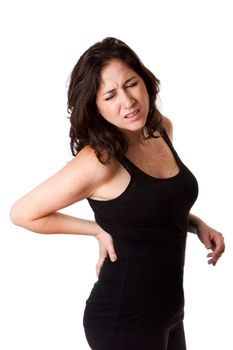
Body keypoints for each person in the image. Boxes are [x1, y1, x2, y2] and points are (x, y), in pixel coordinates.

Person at [10, 37, 225, 350]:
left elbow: (155, 204)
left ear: (145, 81)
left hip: (170, 313)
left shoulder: (161, 128)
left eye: (131, 84)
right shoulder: (99, 160)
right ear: (95, 107)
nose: (128, 101)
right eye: (110, 95)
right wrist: (96, 230)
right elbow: (23, 213)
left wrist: (196, 223)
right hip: (123, 320)